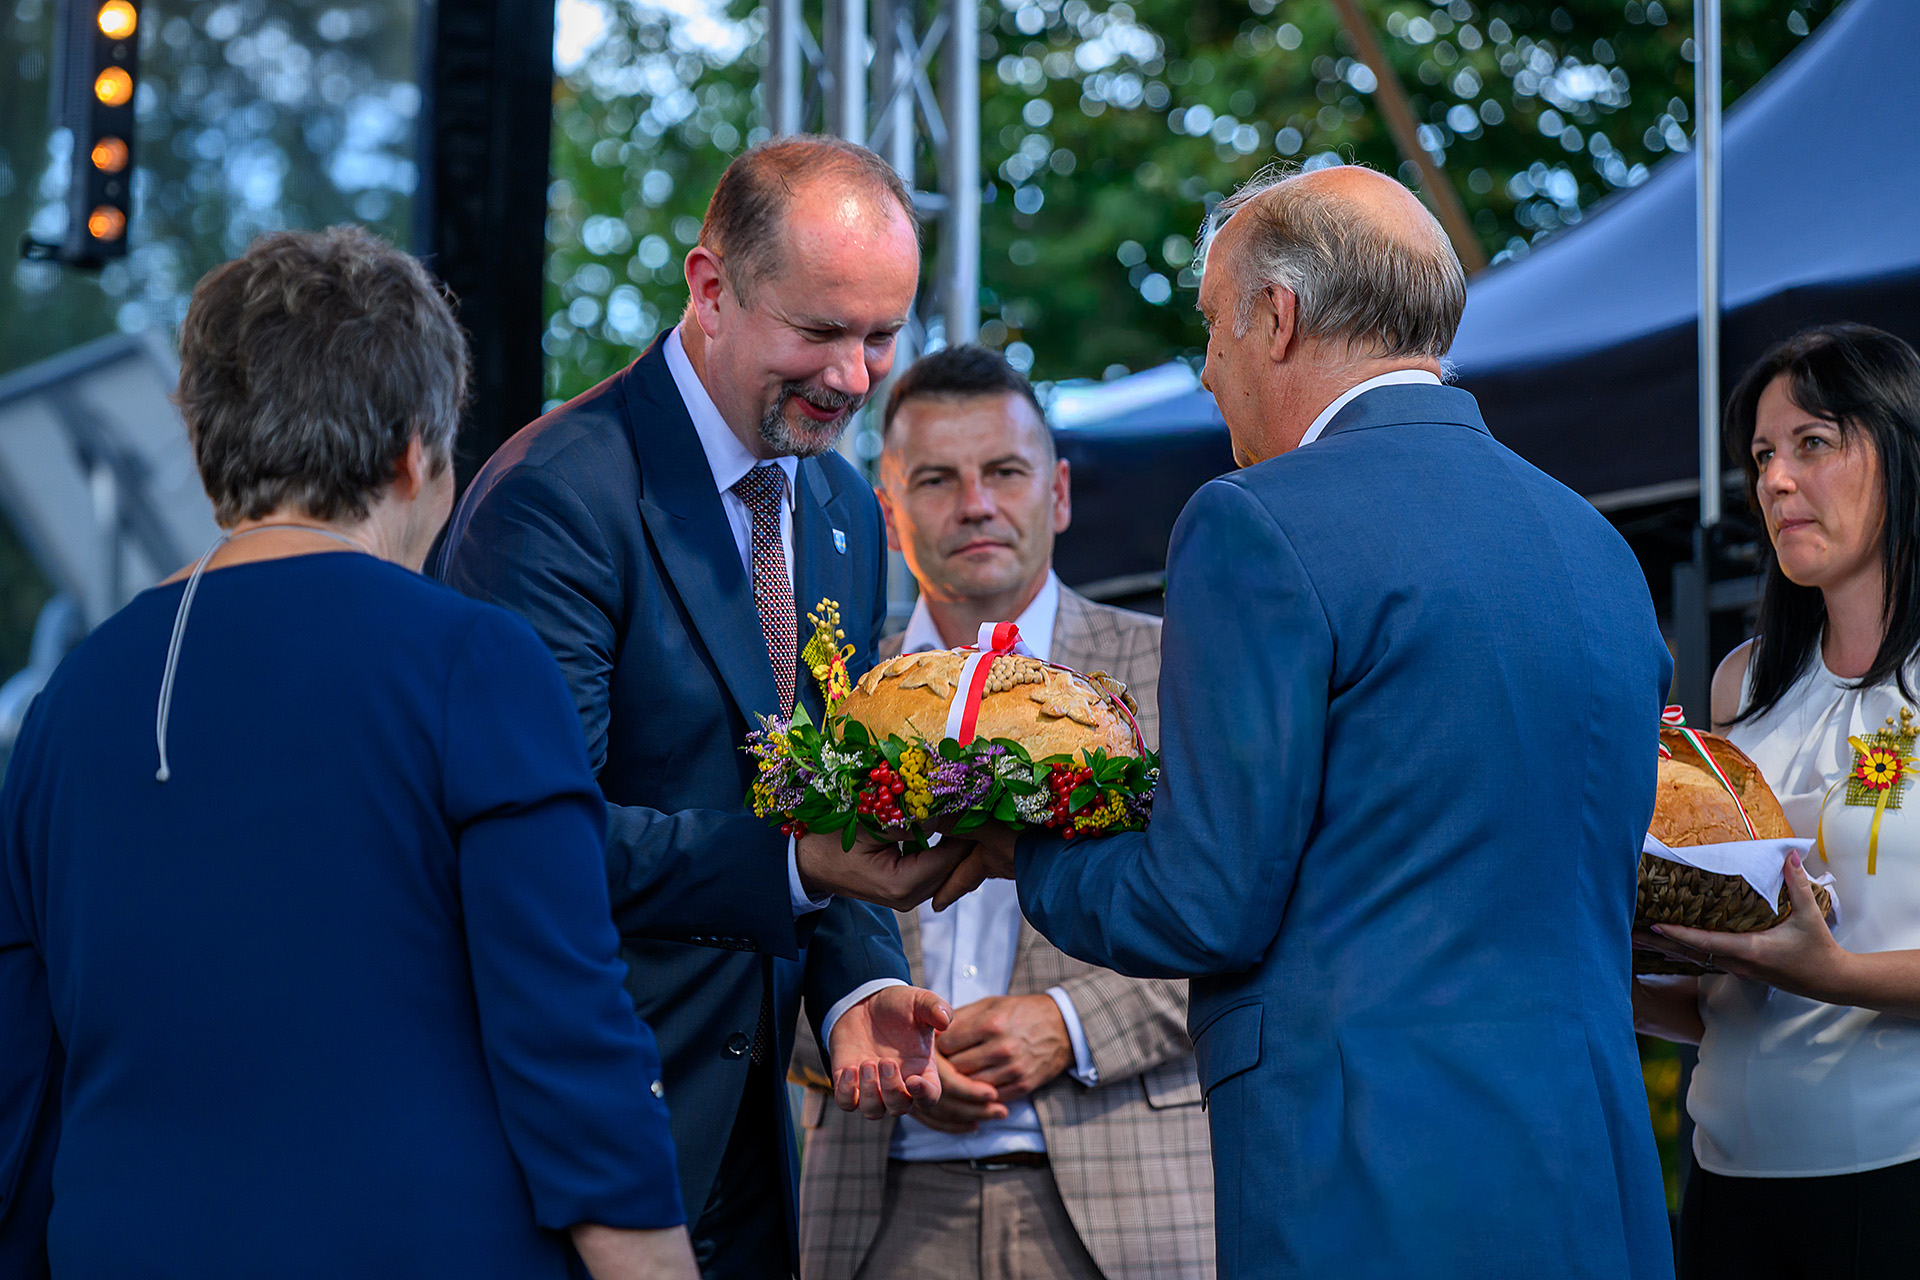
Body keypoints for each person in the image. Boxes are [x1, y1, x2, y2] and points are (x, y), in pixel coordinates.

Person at [942, 164, 1677, 1278]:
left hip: (1363, 1172)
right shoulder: (1597, 546)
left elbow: (1201, 903)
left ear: (1277, 317)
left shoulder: (1257, 521)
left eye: (1211, 324)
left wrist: (1022, 846)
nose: (1206, 368)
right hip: (1594, 1172)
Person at [0, 226, 694, 1279]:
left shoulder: (67, 701)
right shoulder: (473, 661)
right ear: (416, 451)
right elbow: (567, 1034)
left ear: (208, 452)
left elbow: (21, 1086)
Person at [440, 136, 964, 1279]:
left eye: (883, 334)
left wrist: (861, 980)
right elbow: (540, 841)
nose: (855, 377)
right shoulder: (556, 496)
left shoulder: (843, 507)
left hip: (753, 1150)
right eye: (821, 331)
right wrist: (800, 866)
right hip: (580, 1140)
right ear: (711, 288)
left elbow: (828, 784)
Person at [791, 345, 1213, 1280]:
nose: (975, 503)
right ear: (888, 513)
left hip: (1127, 1200)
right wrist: (860, 1036)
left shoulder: (1174, 671)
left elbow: (1251, 909)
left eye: (1006, 472)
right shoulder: (834, 697)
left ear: (1057, 494)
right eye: (936, 479)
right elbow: (759, 921)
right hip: (878, 1203)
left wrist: (1073, 1020)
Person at [1632, 324, 1920, 1280]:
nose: (1777, 481)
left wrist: (1831, 972)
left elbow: (1807, 971)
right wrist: (1612, 974)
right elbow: (1732, 998)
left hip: (1895, 1172)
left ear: (1903, 449)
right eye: (1761, 456)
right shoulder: (1741, 685)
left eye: (1813, 442)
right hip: (1730, 1180)